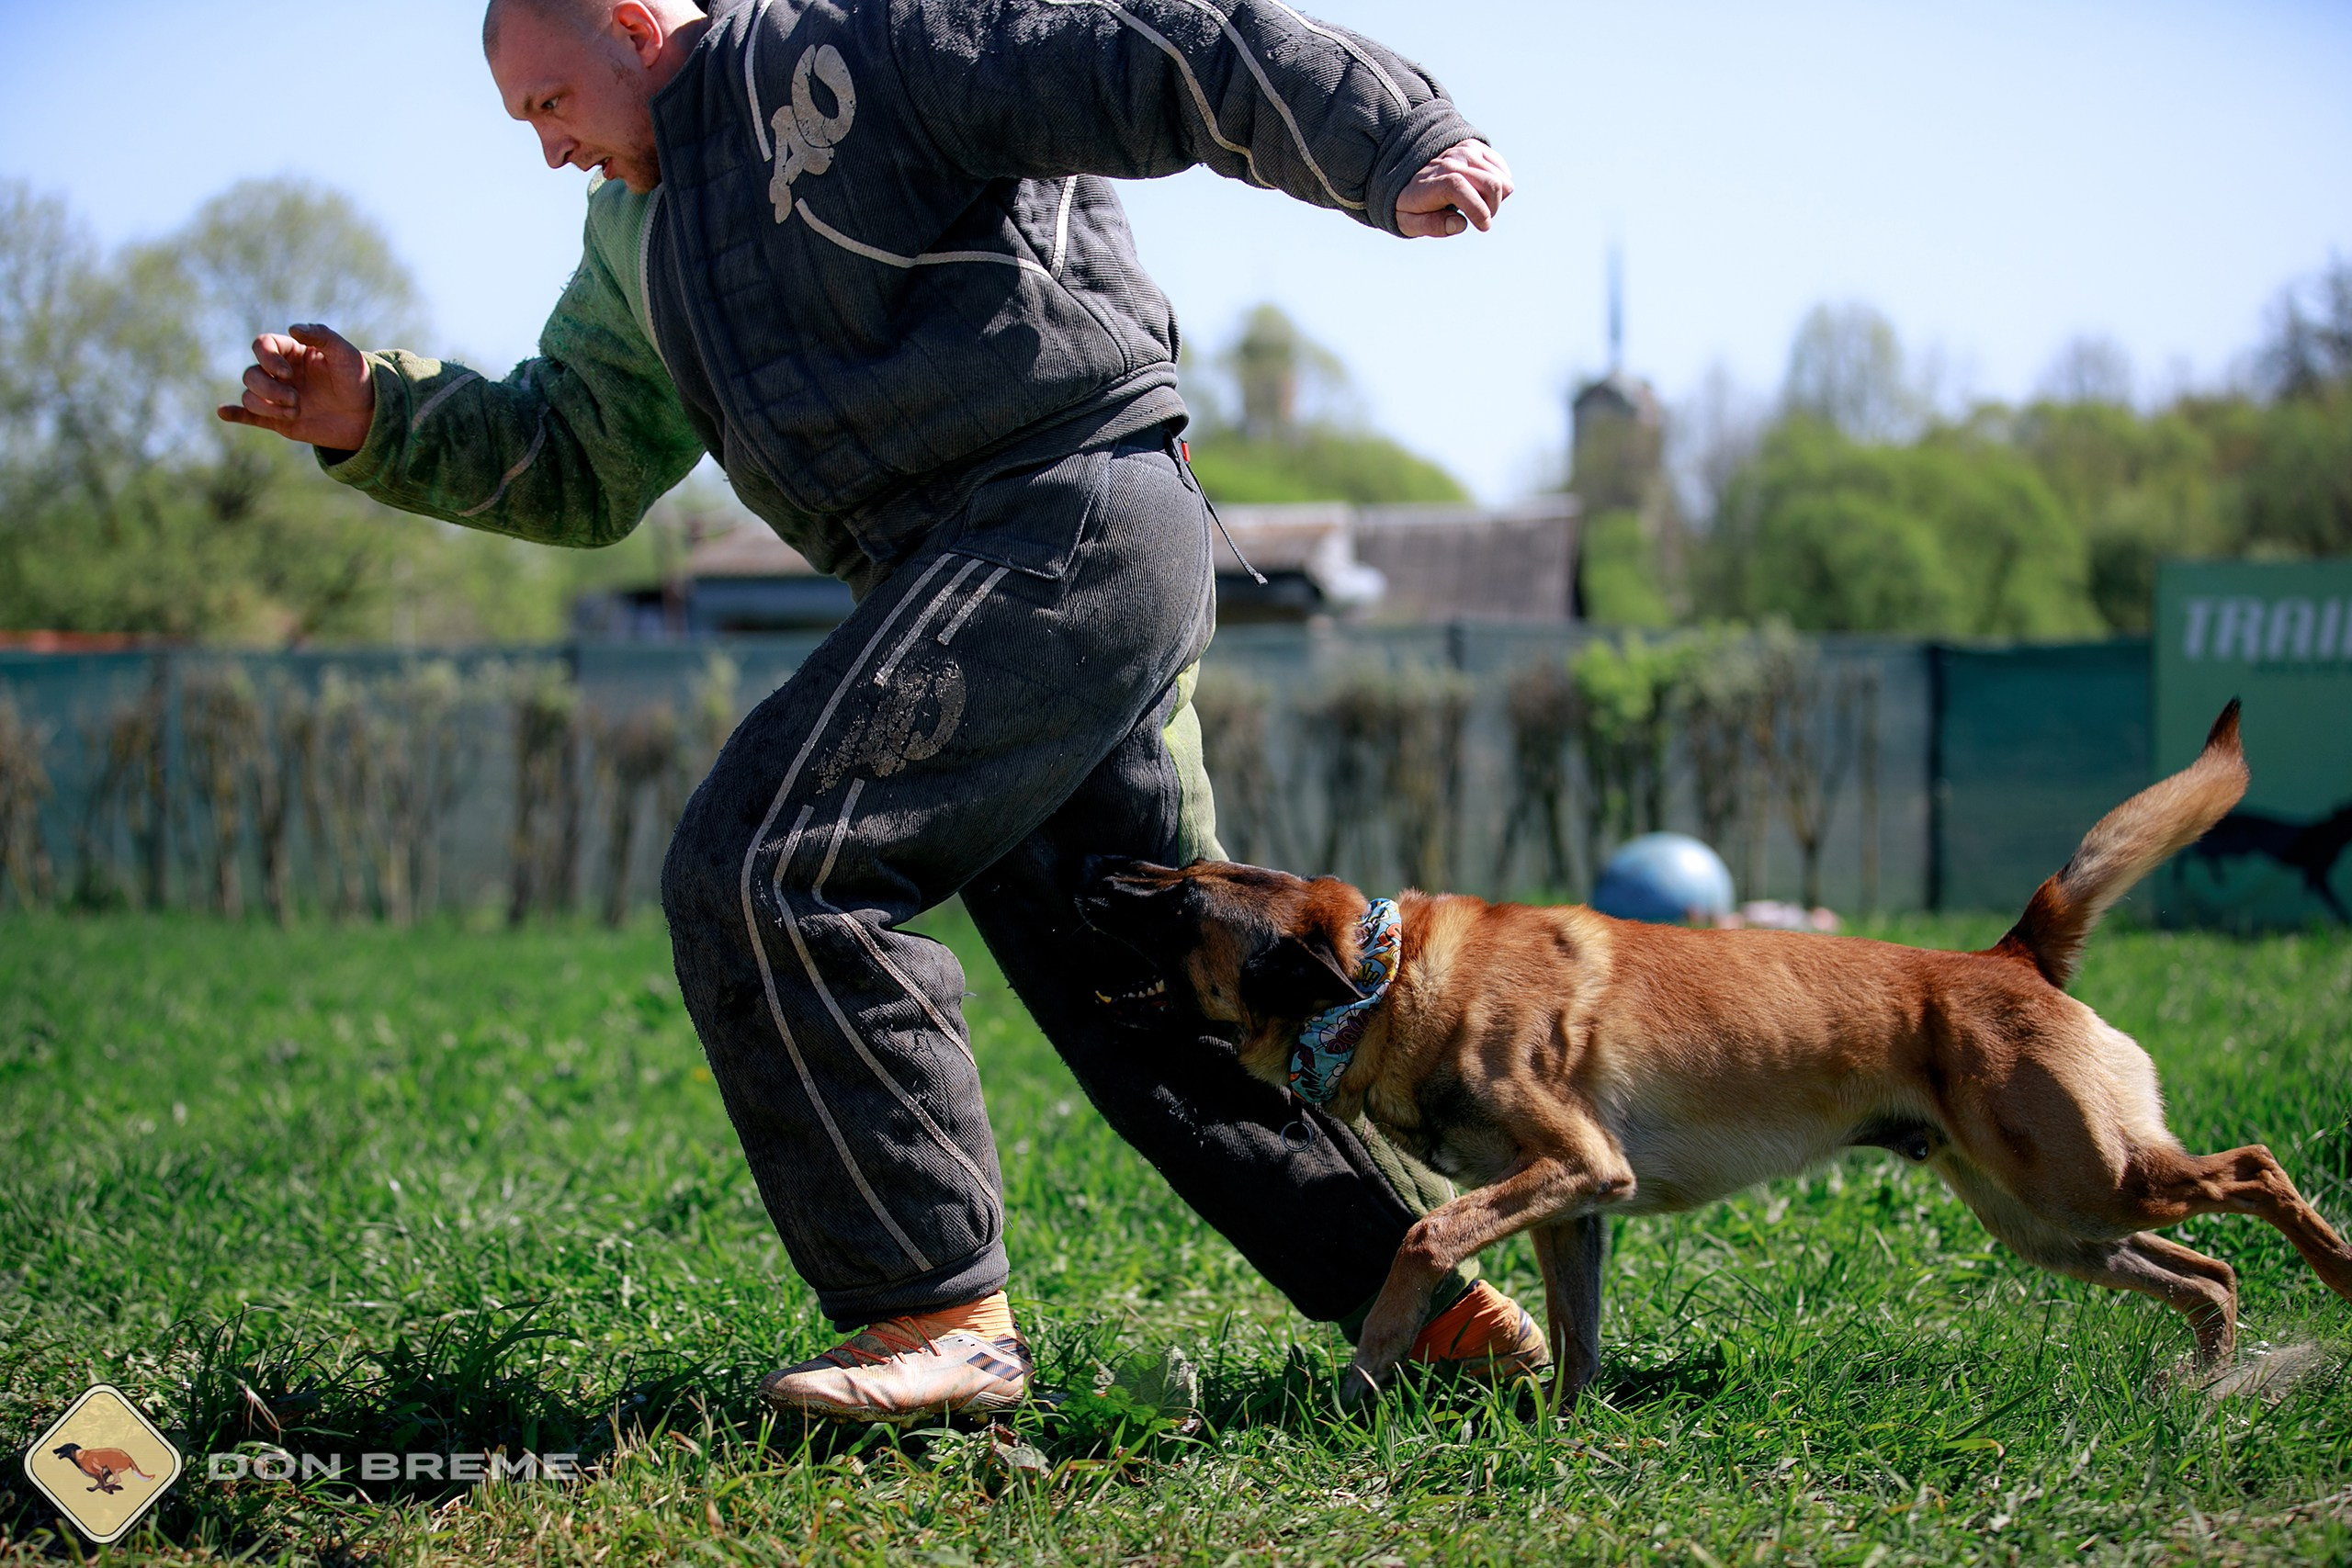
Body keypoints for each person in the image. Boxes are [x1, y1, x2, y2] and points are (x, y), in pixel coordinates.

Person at [220, 0, 1542, 1422]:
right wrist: (378, 419)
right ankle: (1438, 1308)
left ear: (629, 23)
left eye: (548, 104)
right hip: (965, 573)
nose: (548, 149)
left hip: (1070, 510)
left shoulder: (859, 45)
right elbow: (580, 452)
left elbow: (1150, 43)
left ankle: (934, 1312)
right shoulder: (636, 241)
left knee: (766, 866)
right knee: (1152, 971)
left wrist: (1391, 133)